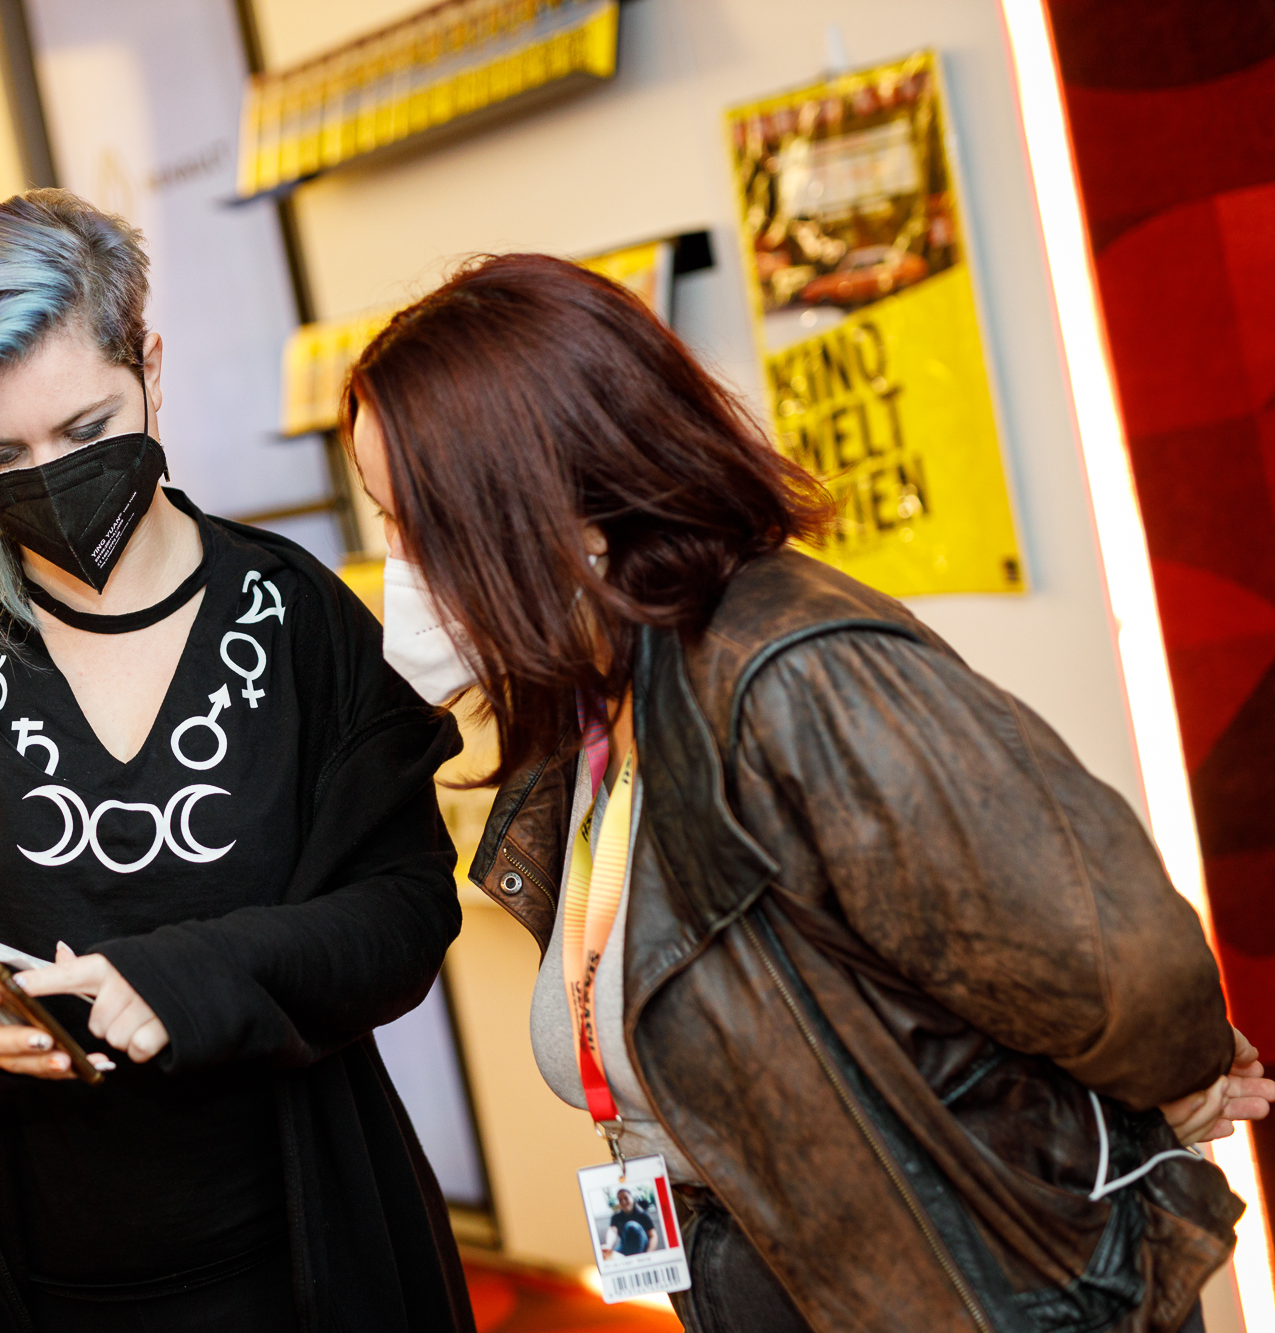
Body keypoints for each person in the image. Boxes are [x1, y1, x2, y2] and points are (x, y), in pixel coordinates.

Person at [342, 251, 1275, 1333]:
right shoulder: (599, 709)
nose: (398, 563)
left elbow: (1115, 962)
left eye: (415, 522)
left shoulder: (791, 676)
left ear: (544, 500)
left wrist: (1173, 1083)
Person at [0, 190, 473, 1332]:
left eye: (85, 430)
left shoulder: (301, 622)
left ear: (149, 367)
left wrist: (190, 975)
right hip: (28, 1282)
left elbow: (403, 910)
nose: (49, 475)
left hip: (304, 1258)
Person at [609, 1188, 656, 1258]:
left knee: (631, 1226)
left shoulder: (642, 1215)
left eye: (626, 1198)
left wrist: (649, 1253)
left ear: (632, 1199)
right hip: (625, 1248)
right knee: (611, 1256)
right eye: (620, 1200)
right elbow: (612, 1231)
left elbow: (653, 1236)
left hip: (642, 1248)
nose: (623, 1201)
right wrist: (608, 1245)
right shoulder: (616, 1217)